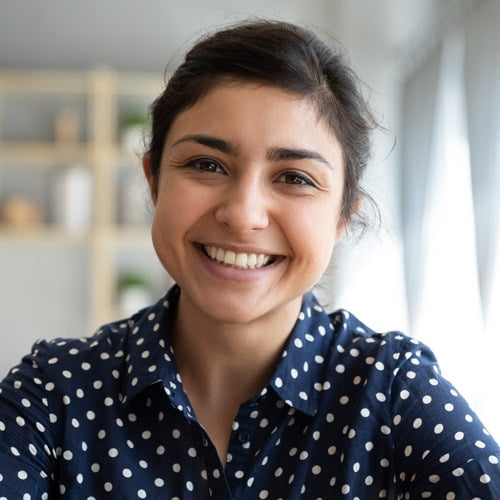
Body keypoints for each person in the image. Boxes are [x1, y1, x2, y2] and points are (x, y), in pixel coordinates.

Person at [0, 19, 499, 500]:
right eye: (207, 165)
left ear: (343, 216)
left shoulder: (393, 392)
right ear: (153, 180)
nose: (242, 215)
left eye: (295, 178)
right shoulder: (54, 393)